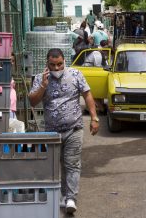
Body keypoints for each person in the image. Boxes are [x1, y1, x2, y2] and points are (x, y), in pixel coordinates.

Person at [28, 48, 99, 215]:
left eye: (59, 64)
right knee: (55, 166)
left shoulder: (76, 75)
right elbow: (32, 100)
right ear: (47, 63)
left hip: (74, 128)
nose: (57, 68)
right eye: (53, 65)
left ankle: (71, 198)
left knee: (72, 164)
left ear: (64, 61)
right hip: (51, 133)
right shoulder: (40, 78)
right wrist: (43, 87)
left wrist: (94, 118)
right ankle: (61, 195)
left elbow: (87, 95)